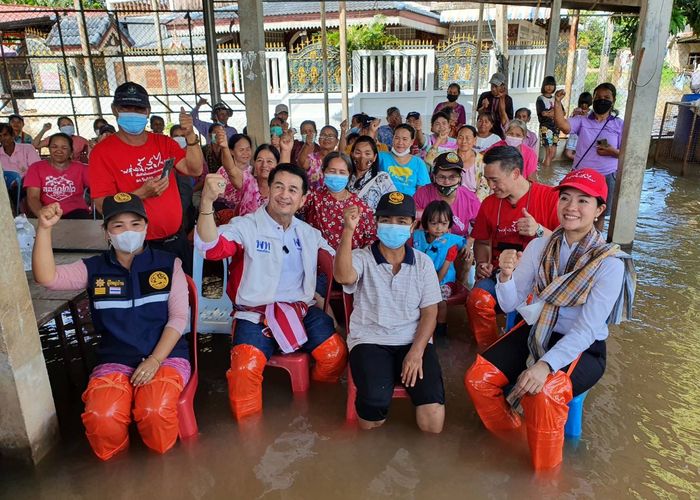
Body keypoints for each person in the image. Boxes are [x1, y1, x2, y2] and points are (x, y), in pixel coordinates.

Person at [465, 168, 634, 470]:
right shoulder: (540, 245)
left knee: (544, 393)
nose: (571, 207)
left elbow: (586, 330)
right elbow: (510, 302)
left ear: (599, 210)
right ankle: (514, 439)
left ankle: (547, 477)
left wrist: (544, 366)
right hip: (536, 329)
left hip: (583, 346)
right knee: (477, 379)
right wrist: (505, 276)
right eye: (566, 198)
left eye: (583, 201)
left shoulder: (609, 264)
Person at [32, 194, 191, 460]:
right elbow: (47, 277)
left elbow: (178, 318)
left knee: (155, 409)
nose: (128, 231)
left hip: (166, 358)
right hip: (114, 360)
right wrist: (44, 230)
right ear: (106, 232)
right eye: (118, 226)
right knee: (101, 417)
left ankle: (163, 468)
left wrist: (154, 360)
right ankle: (116, 472)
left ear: (146, 227)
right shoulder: (94, 269)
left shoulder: (168, 264)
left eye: (135, 224)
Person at [195, 163, 348, 421]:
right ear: (268, 190)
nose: (284, 195)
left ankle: (316, 411)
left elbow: (340, 269)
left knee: (335, 354)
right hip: (254, 314)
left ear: (303, 199)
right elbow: (211, 248)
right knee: (244, 371)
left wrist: (348, 233)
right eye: (278, 186)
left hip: (300, 311)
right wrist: (207, 203)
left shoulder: (310, 234)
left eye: (292, 189)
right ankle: (250, 443)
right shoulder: (246, 226)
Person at [334, 192, 445, 433]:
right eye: (386, 220)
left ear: (413, 225)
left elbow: (430, 313)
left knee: (433, 416)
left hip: (413, 340)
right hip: (370, 340)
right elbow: (343, 276)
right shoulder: (361, 257)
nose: (393, 226)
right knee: (373, 411)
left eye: (402, 221)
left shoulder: (423, 263)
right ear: (376, 222)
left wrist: (416, 352)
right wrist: (348, 230)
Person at [89, 81, 204, 275]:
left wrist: (190, 135)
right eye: (127, 107)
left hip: (175, 240)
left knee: (183, 296)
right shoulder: (102, 153)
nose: (133, 112)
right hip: (135, 247)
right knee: (147, 301)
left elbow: (195, 169)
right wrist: (139, 195)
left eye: (139, 108)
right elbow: (102, 204)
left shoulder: (163, 143)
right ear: (115, 110)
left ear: (148, 111)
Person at [467, 146, 560, 351]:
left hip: (539, 281)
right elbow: (481, 242)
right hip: (501, 276)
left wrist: (539, 231)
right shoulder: (489, 204)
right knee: (476, 299)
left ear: (516, 173)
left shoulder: (551, 198)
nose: (490, 186)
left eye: (495, 180)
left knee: (530, 315)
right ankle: (490, 351)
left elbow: (569, 244)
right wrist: (482, 264)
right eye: (487, 180)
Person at [553, 83, 624, 230]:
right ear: (593, 99)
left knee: (600, 215)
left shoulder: (619, 124)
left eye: (606, 97)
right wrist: (558, 102)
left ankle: (593, 247)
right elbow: (563, 126)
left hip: (607, 176)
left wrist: (612, 151)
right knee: (574, 210)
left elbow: (628, 154)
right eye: (598, 97)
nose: (601, 100)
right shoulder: (582, 120)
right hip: (582, 177)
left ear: (613, 100)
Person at [412, 200, 466, 337]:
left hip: (443, 281)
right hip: (419, 279)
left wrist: (432, 285)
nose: (439, 228)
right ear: (426, 223)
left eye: (443, 224)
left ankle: (441, 327)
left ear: (449, 224)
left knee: (440, 301)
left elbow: (444, 269)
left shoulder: (451, 243)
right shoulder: (417, 237)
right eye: (434, 223)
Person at [303, 152, 376, 249]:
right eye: (332, 171)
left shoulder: (361, 207)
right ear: (324, 172)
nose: (337, 175)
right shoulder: (313, 198)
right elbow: (288, 206)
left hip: (350, 261)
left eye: (342, 172)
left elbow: (370, 240)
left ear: (349, 175)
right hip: (315, 260)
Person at [414, 152, 481, 239]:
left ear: (460, 178)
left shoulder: (470, 198)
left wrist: (470, 241)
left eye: (452, 177)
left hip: (458, 247)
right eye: (441, 177)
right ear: (434, 177)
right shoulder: (422, 194)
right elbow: (410, 221)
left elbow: (481, 225)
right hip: (426, 245)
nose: (447, 182)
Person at [24, 133, 90, 219]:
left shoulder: (81, 168)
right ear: (49, 148)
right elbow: (33, 197)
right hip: (48, 212)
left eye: (64, 148)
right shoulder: (36, 168)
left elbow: (98, 188)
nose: (59, 150)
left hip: (77, 212)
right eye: (54, 147)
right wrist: (41, 214)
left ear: (71, 150)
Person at [217, 141, 280, 218]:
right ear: (254, 163)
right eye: (260, 160)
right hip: (243, 228)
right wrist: (224, 147)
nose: (264, 165)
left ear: (277, 164)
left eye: (269, 161)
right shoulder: (248, 182)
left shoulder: (281, 189)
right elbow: (230, 169)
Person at [377, 124, 431, 196]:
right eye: (397, 138)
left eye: (404, 139)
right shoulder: (381, 157)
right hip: (385, 203)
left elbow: (422, 192)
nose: (400, 142)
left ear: (412, 142)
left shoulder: (418, 163)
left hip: (409, 204)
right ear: (392, 139)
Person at [348, 135, 396, 210]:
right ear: (352, 154)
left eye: (367, 154)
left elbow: (394, 206)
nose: (362, 157)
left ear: (374, 157)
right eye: (358, 153)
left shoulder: (382, 178)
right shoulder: (345, 177)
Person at [456, 125, 489, 201]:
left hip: (474, 202)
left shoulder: (482, 161)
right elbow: (430, 161)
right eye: (460, 137)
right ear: (456, 139)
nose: (464, 141)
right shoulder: (449, 156)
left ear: (474, 140)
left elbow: (484, 187)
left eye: (468, 138)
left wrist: (473, 203)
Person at [536, 76, 563, 168]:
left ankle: (546, 171)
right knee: (549, 152)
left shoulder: (556, 99)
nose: (549, 87)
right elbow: (543, 113)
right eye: (547, 85)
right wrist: (554, 113)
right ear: (543, 86)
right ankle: (546, 173)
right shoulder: (540, 99)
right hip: (546, 127)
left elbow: (563, 112)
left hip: (556, 127)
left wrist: (552, 113)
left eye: (552, 85)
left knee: (553, 153)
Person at [302, 125, 339, 191]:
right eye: (323, 135)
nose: (326, 138)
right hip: (312, 199)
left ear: (337, 141)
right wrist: (307, 145)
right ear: (318, 140)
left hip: (333, 199)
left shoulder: (339, 160)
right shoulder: (311, 158)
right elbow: (301, 163)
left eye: (330, 136)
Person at [477, 72, 513, 139]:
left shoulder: (508, 100)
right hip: (485, 129)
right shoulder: (484, 95)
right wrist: (483, 107)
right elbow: (479, 113)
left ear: (502, 86)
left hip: (500, 131)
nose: (493, 89)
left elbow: (509, 120)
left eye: (496, 86)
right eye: (492, 86)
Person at [564, 92, 593, 161]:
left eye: (586, 103)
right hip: (573, 136)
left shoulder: (591, 113)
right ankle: (580, 160)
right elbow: (569, 122)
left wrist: (585, 115)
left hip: (584, 136)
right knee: (568, 153)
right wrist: (574, 114)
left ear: (589, 103)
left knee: (581, 152)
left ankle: (581, 161)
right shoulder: (576, 110)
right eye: (582, 103)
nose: (584, 105)